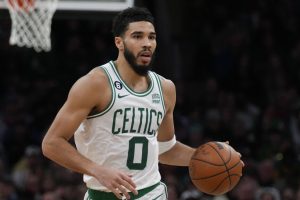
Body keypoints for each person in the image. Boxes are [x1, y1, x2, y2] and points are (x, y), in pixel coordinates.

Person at [42, 7, 243, 200]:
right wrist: (98, 170)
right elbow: (52, 143)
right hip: (102, 195)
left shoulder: (165, 88)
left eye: (151, 37)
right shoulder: (95, 84)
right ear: (119, 42)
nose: (147, 43)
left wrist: (210, 158)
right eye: (137, 36)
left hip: (151, 193)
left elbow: (165, 149)